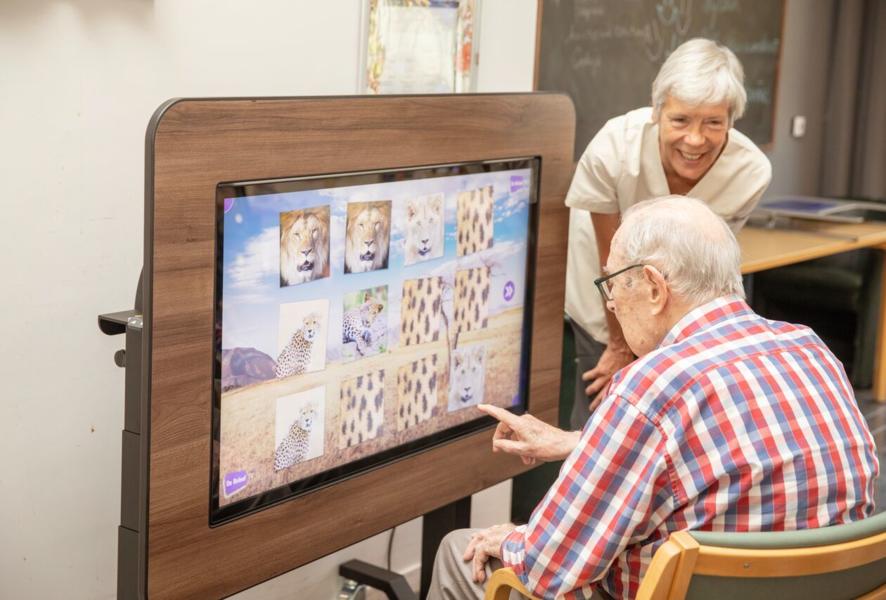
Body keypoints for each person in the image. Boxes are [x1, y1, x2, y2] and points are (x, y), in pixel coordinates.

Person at [427, 197, 879, 600]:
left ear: (654, 287)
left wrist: (511, 539)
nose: (610, 304)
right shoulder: (809, 347)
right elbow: (729, 450)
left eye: (612, 283)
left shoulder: (650, 386)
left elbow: (548, 566)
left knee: (458, 551)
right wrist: (582, 442)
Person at [566, 38, 772, 429]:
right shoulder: (614, 149)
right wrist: (620, 345)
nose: (695, 139)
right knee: (602, 420)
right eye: (680, 121)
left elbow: (710, 272)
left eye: (713, 123)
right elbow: (611, 261)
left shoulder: (750, 172)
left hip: (683, 309)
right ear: (657, 111)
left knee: (679, 422)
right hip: (607, 294)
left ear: (731, 120)